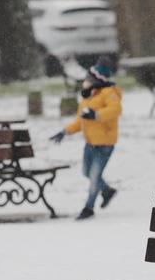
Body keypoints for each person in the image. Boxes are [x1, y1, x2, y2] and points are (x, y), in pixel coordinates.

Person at [49, 58, 122, 220]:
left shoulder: (109, 93)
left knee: (94, 176)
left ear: (96, 81)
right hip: (90, 143)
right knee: (86, 172)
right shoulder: (89, 97)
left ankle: (88, 208)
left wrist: (96, 115)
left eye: (88, 79)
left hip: (104, 144)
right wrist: (65, 132)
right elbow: (81, 121)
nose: (84, 82)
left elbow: (115, 110)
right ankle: (107, 191)